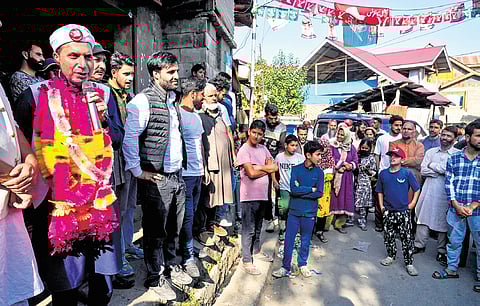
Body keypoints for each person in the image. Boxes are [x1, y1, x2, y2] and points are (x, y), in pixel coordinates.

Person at [14, 24, 124, 305]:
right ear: (57, 57)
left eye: (89, 57)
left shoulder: (104, 94)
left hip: (99, 203)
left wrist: (103, 121)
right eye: (73, 56)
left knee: (103, 285)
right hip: (58, 207)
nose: (83, 64)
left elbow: (120, 138)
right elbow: (22, 147)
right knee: (65, 288)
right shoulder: (35, 96)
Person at [123, 50, 192, 301]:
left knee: (174, 227)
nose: (176, 75)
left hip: (176, 175)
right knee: (155, 231)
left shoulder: (173, 100)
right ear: (155, 74)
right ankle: (155, 276)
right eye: (170, 72)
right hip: (157, 178)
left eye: (176, 70)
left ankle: (171, 266)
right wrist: (137, 170)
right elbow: (130, 138)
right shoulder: (142, 101)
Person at [0, 82, 44, 306]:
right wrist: (14, 180)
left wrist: (30, 162)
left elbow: (12, 127)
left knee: (12, 286)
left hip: (9, 205)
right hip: (10, 189)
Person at [432, 120, 480, 294]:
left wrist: (473, 205)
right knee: (454, 242)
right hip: (456, 208)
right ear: (467, 137)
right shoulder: (454, 158)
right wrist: (456, 204)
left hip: (478, 211)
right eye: (478, 135)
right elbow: (449, 182)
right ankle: (452, 269)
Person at [107, 51, 139, 289]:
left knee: (128, 207)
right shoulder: (106, 94)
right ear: (114, 72)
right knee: (116, 211)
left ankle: (127, 246)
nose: (129, 78)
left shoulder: (130, 96)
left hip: (130, 157)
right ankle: (117, 259)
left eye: (132, 75)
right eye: (125, 74)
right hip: (114, 158)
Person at [272, 141, 324, 279]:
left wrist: (303, 190)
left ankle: (303, 264)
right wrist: (309, 189)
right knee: (289, 240)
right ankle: (285, 267)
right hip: (294, 211)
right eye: (318, 155)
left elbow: (319, 193)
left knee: (306, 240)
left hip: (309, 212)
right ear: (308, 155)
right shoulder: (295, 169)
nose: (320, 158)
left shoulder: (319, 172)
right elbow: (293, 190)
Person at [237, 119, 278, 275]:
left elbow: (273, 166)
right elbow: (251, 173)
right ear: (249, 132)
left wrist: (262, 168)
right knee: (248, 229)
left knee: (259, 226)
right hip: (249, 196)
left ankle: (256, 250)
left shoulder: (263, 149)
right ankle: (247, 260)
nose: (256, 136)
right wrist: (266, 169)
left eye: (260, 134)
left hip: (263, 195)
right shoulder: (244, 150)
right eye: (254, 133)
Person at [413, 126, 459, 266]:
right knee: (423, 216)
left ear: (455, 139)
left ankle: (441, 251)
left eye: (448, 136)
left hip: (445, 193)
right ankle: (419, 245)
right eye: (443, 135)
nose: (444, 138)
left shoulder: (457, 154)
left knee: (443, 221)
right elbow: (423, 170)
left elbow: (449, 171)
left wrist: (433, 166)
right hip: (428, 190)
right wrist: (437, 170)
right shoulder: (431, 151)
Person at [376, 147, 420, 277]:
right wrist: (381, 206)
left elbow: (416, 189)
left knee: (406, 237)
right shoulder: (383, 174)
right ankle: (391, 255)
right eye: (391, 155)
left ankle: (409, 263)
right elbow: (379, 191)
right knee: (388, 236)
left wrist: (412, 204)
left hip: (403, 211)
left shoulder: (406, 173)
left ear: (401, 159)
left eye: (396, 156)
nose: (392, 158)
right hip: (388, 211)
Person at [198, 82, 235, 236]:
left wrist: (233, 154)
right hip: (209, 162)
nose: (214, 98)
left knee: (219, 195)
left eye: (215, 95)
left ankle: (213, 224)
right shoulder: (199, 115)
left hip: (223, 162)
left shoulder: (221, 111)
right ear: (203, 97)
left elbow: (228, 132)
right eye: (210, 96)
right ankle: (202, 228)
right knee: (207, 196)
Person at [179, 78, 206, 279]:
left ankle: (188, 248)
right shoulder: (177, 115)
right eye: (201, 93)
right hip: (184, 174)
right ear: (193, 94)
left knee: (193, 213)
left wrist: (204, 170)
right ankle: (187, 257)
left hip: (197, 174)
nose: (203, 97)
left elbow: (200, 145)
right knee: (186, 216)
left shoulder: (196, 117)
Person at [390, 120, 425, 235]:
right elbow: (393, 159)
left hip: (413, 177)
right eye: (404, 128)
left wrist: (402, 160)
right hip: (396, 176)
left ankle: (408, 228)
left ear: (414, 131)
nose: (406, 131)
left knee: (410, 203)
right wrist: (408, 160)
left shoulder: (419, 145)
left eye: (409, 129)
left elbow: (418, 160)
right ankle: (395, 227)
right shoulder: (394, 143)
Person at [374, 115, 403, 232]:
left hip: (398, 173)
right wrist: (378, 170)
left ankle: (394, 224)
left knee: (395, 199)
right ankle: (379, 223)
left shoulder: (403, 139)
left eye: (401, 125)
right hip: (384, 172)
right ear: (391, 125)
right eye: (396, 125)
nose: (399, 128)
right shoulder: (382, 138)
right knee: (380, 198)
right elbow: (377, 154)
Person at [273, 134, 305, 240]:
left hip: (296, 188)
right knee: (283, 208)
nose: (294, 148)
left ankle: (294, 230)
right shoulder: (279, 157)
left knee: (295, 209)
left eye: (296, 145)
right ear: (286, 145)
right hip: (284, 187)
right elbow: (273, 169)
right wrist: (274, 181)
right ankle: (282, 230)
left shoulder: (300, 158)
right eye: (292, 145)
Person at [261, 103, 287, 232]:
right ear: (265, 115)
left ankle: (280, 218)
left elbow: (282, 147)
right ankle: (268, 219)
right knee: (265, 193)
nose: (273, 121)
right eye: (270, 118)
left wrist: (277, 164)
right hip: (262, 163)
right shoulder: (260, 123)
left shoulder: (281, 127)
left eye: (275, 118)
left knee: (278, 190)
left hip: (276, 163)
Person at [329, 123, 358, 234]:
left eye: (342, 135)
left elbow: (355, 161)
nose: (339, 137)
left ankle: (340, 223)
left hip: (347, 177)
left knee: (345, 197)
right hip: (336, 175)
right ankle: (329, 222)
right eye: (338, 134)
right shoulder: (332, 147)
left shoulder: (352, 148)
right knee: (334, 197)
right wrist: (340, 165)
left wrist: (350, 165)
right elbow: (330, 159)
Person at [315, 138, 336, 243]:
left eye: (324, 148)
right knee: (312, 210)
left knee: (322, 211)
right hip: (314, 189)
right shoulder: (315, 159)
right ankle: (310, 231)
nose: (322, 151)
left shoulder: (330, 160)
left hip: (325, 191)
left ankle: (320, 231)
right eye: (320, 148)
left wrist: (322, 177)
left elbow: (331, 175)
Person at [354, 138, 377, 231]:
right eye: (362, 147)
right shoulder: (356, 155)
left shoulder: (371, 158)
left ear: (369, 149)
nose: (363, 149)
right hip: (355, 181)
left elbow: (374, 172)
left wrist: (367, 170)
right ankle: (350, 219)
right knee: (353, 200)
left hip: (365, 182)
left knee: (363, 203)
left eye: (366, 148)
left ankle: (362, 220)